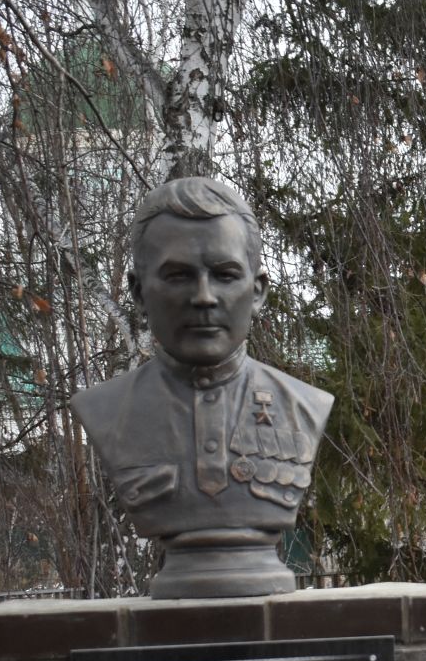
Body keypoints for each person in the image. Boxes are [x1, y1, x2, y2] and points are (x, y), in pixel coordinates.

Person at [72, 176, 333, 596]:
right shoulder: (107, 411)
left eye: (225, 274)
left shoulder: (305, 406)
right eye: (178, 276)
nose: (204, 297)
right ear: (139, 292)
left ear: (258, 290)